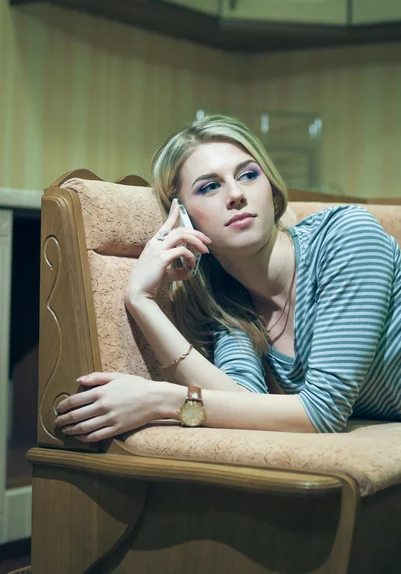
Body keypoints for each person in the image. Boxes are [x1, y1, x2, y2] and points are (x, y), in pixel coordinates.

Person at [54, 115, 401, 441]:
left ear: (272, 189)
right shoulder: (225, 301)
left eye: (248, 175)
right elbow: (241, 403)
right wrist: (141, 301)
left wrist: (159, 400)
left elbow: (322, 414)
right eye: (209, 187)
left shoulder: (349, 236)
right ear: (183, 219)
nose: (236, 195)